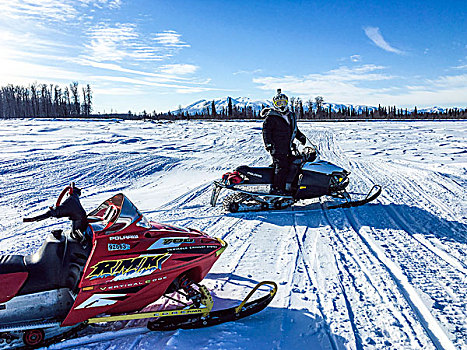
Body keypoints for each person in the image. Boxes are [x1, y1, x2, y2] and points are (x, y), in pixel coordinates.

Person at [261, 89, 306, 195]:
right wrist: (268, 144)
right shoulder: (271, 117)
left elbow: (294, 129)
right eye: (279, 103)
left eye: (283, 103)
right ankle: (277, 189)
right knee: (281, 167)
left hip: (287, 147)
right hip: (277, 147)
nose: (281, 105)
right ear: (275, 104)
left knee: (293, 164)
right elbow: (266, 131)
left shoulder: (290, 116)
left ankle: (290, 186)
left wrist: (301, 137)